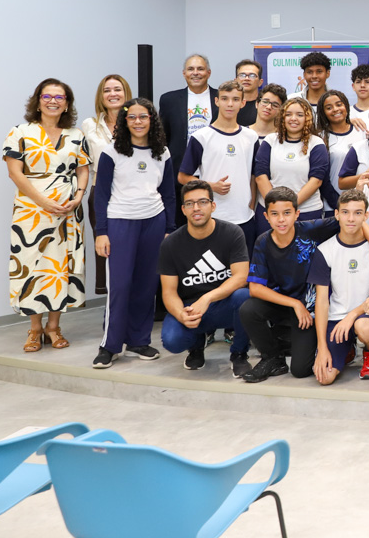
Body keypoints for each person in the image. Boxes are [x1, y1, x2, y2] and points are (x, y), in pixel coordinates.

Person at [5, 78, 91, 352]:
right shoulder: (20, 132)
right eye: (47, 96)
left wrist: (78, 197)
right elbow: (15, 173)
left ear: (67, 104)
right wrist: (43, 201)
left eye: (59, 97)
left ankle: (53, 327)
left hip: (67, 213)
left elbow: (83, 169)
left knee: (59, 268)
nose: (53, 101)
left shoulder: (76, 135)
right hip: (31, 212)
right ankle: (34, 329)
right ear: (38, 101)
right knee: (33, 267)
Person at [92, 98, 175, 368]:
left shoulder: (162, 152)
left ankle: (139, 340)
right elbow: (101, 195)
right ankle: (110, 345)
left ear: (152, 120)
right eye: (132, 117)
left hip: (154, 223)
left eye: (143, 117)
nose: (138, 122)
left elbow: (169, 194)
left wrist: (169, 229)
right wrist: (101, 232)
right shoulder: (111, 152)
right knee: (120, 286)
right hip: (120, 222)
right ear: (124, 121)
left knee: (146, 285)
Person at [240, 186, 340, 382]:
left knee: (300, 370)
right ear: (266, 216)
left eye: (287, 213)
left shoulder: (311, 229)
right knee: (248, 309)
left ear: (297, 214)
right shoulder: (263, 242)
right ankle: (273, 358)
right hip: (284, 304)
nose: (281, 219)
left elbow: (346, 220)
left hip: (309, 309)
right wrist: (294, 303)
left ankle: (294, 341)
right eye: (275, 214)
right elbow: (255, 288)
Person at [158, 180, 252, 376]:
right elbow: (168, 292)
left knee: (245, 298)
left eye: (202, 202)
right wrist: (181, 314)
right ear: (183, 210)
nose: (196, 208)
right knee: (172, 340)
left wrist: (207, 298)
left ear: (213, 206)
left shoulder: (232, 233)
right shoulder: (171, 244)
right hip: (191, 308)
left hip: (223, 304)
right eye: (190, 203)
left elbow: (241, 277)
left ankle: (239, 354)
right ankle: (195, 346)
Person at [308, 189, 369, 384]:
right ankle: (347, 346)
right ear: (336, 214)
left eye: (358, 213)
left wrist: (352, 315)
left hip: (367, 314)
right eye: (345, 212)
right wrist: (322, 347)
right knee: (325, 378)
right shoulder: (325, 250)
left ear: (366, 216)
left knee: (364, 327)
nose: (351, 218)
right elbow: (322, 301)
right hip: (337, 317)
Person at [179, 80, 260, 253]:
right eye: (224, 99)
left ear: (243, 103)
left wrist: (252, 203)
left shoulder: (251, 137)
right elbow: (183, 177)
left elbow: (255, 175)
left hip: (244, 217)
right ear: (216, 101)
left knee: (242, 267)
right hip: (212, 218)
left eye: (235, 99)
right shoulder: (201, 137)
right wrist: (210, 186)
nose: (230, 104)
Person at [81, 73, 131, 296]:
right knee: (105, 246)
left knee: (130, 248)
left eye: (117, 89)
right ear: (100, 96)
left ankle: (130, 299)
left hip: (131, 193)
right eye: (107, 90)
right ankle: (111, 302)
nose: (112, 94)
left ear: (126, 93)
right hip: (100, 193)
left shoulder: (136, 121)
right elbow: (83, 162)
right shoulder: (89, 125)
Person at [253, 96, 329, 234]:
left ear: (307, 118)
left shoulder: (316, 143)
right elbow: (260, 175)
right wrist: (275, 207)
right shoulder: (271, 140)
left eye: (299, 115)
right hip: (270, 212)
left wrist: (289, 208)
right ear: (282, 117)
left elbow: (316, 180)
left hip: (306, 213)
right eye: (288, 114)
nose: (293, 118)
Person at [159, 54, 217, 225]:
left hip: (213, 171)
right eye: (191, 69)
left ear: (209, 72)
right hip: (179, 174)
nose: (195, 73)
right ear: (184, 73)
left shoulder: (220, 97)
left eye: (200, 69)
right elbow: (163, 138)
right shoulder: (169, 100)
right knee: (180, 224)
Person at [315, 89, 366, 215]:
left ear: (346, 106)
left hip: (361, 202)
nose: (335, 109)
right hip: (332, 206)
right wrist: (338, 203)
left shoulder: (361, 130)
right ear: (323, 112)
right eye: (329, 107)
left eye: (339, 104)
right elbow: (323, 179)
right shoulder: (320, 138)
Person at [290, 51, 332, 117]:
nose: (314, 76)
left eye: (319, 71)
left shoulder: (337, 101)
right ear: (304, 75)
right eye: (309, 72)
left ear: (327, 73)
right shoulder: (291, 100)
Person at [349, 64, 369, 132]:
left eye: (367, 82)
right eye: (358, 82)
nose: (362, 85)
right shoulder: (346, 113)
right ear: (353, 86)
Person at [234, 59, 263, 126]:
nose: (246, 79)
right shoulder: (228, 106)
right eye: (242, 75)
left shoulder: (265, 107)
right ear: (235, 81)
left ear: (260, 82)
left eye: (252, 75)